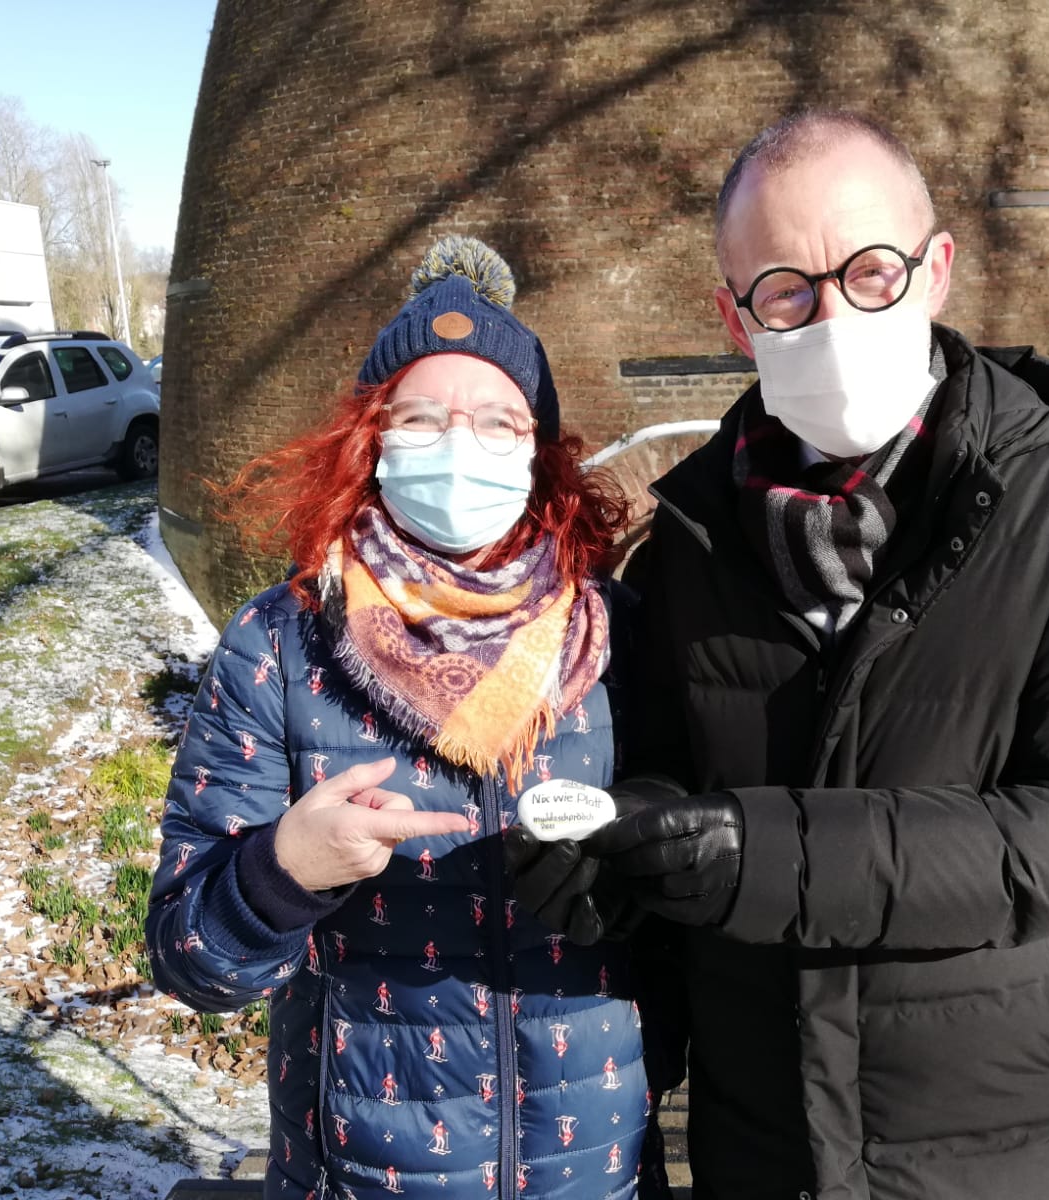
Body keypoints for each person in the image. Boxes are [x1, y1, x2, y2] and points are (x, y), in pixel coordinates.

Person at [511, 110, 1049, 1199]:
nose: (833, 314)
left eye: (871, 270)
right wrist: (622, 856)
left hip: (999, 1150)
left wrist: (758, 852)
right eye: (786, 288)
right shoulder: (688, 539)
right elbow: (672, 772)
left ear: (935, 273)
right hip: (762, 1138)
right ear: (735, 319)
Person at [147, 236, 668, 1200]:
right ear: (371, 440)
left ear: (539, 449)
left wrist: (642, 862)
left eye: (497, 422)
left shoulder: (616, 638)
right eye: (420, 419)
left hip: (589, 1167)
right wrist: (282, 872)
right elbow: (190, 961)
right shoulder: (283, 643)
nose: (458, 447)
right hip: (361, 1173)